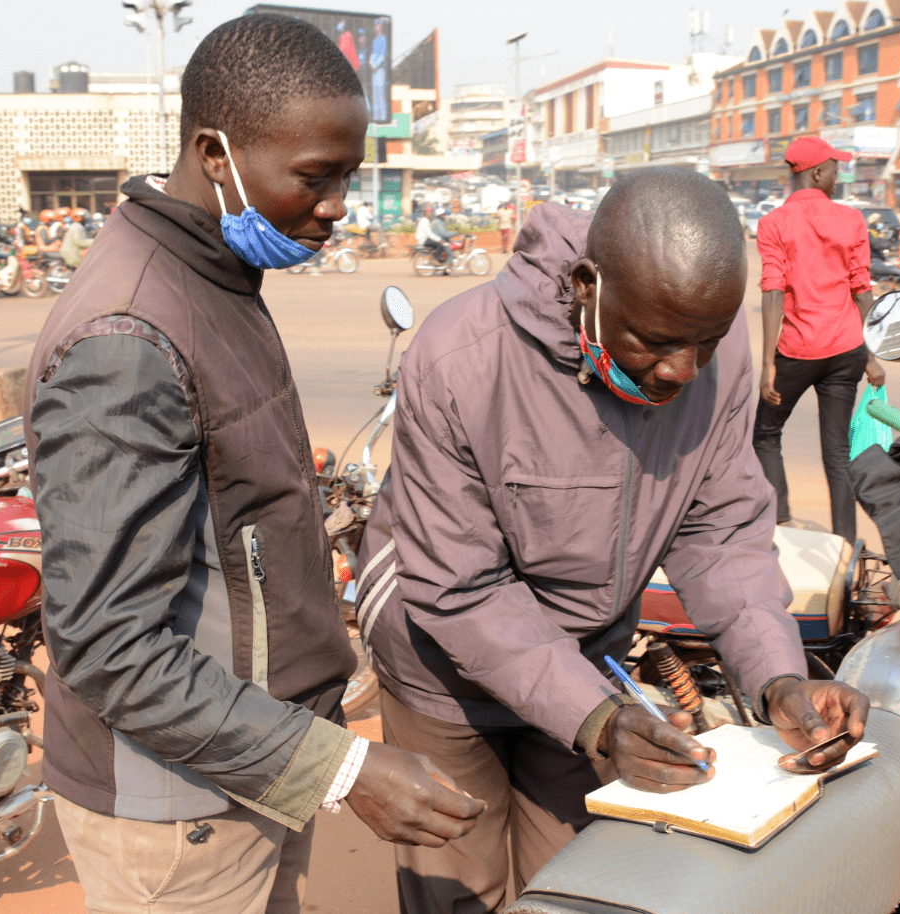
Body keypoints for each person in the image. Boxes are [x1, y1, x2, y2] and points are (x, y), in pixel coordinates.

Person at [23, 15, 483, 914]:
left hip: (245, 766)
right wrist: (340, 767)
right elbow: (110, 643)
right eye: (316, 176)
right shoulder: (129, 334)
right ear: (215, 153)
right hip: (180, 813)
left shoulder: (211, 272)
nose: (339, 204)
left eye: (348, 175)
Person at [354, 167, 870, 914]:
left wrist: (777, 678)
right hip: (442, 675)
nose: (681, 372)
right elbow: (459, 588)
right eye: (655, 342)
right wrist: (596, 719)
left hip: (585, 665)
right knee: (460, 895)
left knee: (577, 889)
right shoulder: (462, 356)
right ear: (588, 286)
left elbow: (721, 533)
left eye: (706, 343)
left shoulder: (709, 353)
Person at [753, 135, 885, 544]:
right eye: (835, 168)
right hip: (846, 349)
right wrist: (872, 355)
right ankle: (845, 542)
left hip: (797, 349)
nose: (839, 175)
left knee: (764, 433)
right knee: (837, 450)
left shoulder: (773, 223)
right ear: (816, 172)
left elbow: (773, 290)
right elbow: (861, 288)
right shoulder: (851, 219)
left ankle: (781, 523)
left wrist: (768, 364)